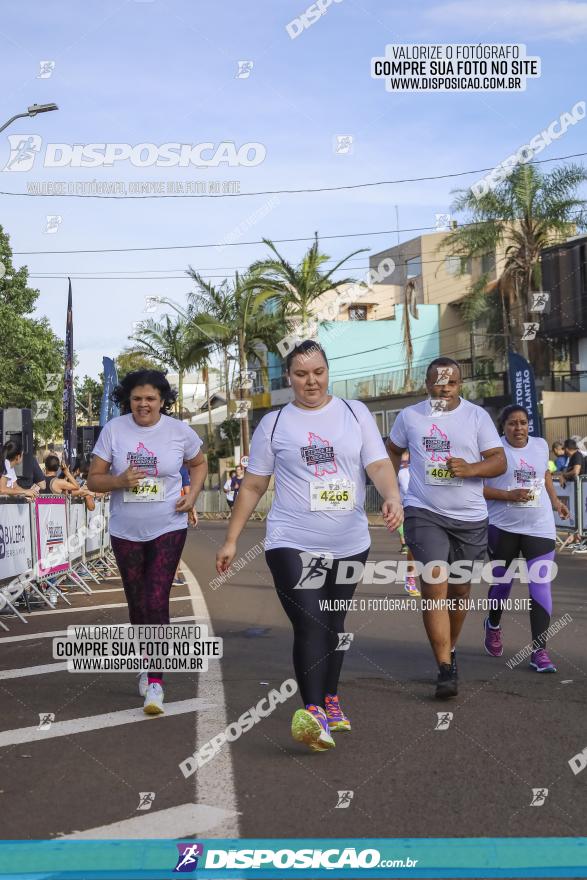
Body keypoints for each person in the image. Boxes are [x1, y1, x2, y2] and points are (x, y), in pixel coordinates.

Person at [215, 341, 402, 752]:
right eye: (301, 374)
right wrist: (232, 539)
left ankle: (330, 698)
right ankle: (314, 712)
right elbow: (254, 484)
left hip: (350, 543)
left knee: (333, 626)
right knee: (313, 623)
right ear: (289, 378)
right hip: (293, 541)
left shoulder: (355, 413)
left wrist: (392, 495)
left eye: (317, 372)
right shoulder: (275, 423)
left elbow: (377, 462)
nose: (311, 381)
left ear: (327, 370)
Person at [87, 369, 207, 715]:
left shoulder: (178, 431)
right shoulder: (114, 430)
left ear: (162, 401)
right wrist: (119, 480)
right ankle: (146, 657)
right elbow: (94, 480)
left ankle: (156, 680)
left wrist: (193, 494)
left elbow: (199, 464)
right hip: (126, 530)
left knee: (156, 598)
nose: (143, 404)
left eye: (151, 399)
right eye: (137, 398)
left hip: (168, 525)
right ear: (129, 400)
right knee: (138, 602)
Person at [386, 357, 507, 700]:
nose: (443, 387)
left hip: (469, 519)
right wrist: (392, 493)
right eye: (437, 382)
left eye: (450, 382)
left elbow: (499, 460)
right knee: (434, 588)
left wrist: (472, 469)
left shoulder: (476, 416)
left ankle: (449, 651)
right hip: (424, 512)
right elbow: (392, 451)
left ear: (460, 384)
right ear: (427, 384)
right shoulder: (410, 417)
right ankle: (443, 667)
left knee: (460, 592)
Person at [483, 405, 569, 671]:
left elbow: (545, 476)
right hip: (502, 527)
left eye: (522, 423)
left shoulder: (541, 445)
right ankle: (493, 624)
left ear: (529, 424)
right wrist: (509, 495)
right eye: (512, 423)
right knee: (503, 583)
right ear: (503, 427)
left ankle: (539, 652)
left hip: (539, 526)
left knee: (540, 586)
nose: (518, 428)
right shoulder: (492, 451)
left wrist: (555, 502)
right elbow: (478, 489)